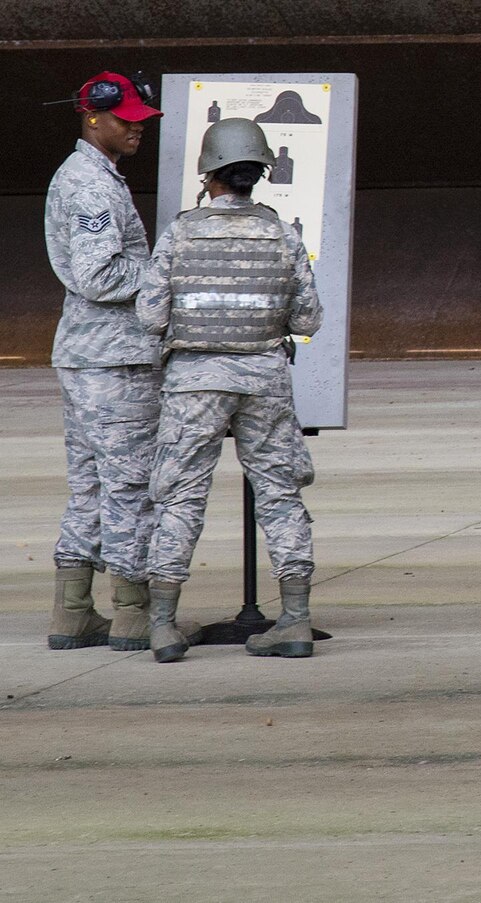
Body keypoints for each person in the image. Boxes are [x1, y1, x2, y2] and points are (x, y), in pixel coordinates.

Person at [137, 118, 323, 663]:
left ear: (209, 173)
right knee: (280, 495)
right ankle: (294, 619)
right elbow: (308, 316)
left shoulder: (181, 232)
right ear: (257, 173)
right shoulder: (282, 233)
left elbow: (150, 316)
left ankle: (164, 626)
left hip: (193, 384)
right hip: (264, 381)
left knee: (181, 498)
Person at [42, 72, 165, 651]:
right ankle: (133, 612)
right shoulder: (91, 186)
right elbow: (98, 275)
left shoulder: (94, 177)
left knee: (89, 485)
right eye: (127, 120)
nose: (138, 128)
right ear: (93, 116)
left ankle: (72, 612)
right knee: (130, 485)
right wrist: (165, 274)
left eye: (141, 119)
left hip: (87, 355)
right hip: (113, 360)